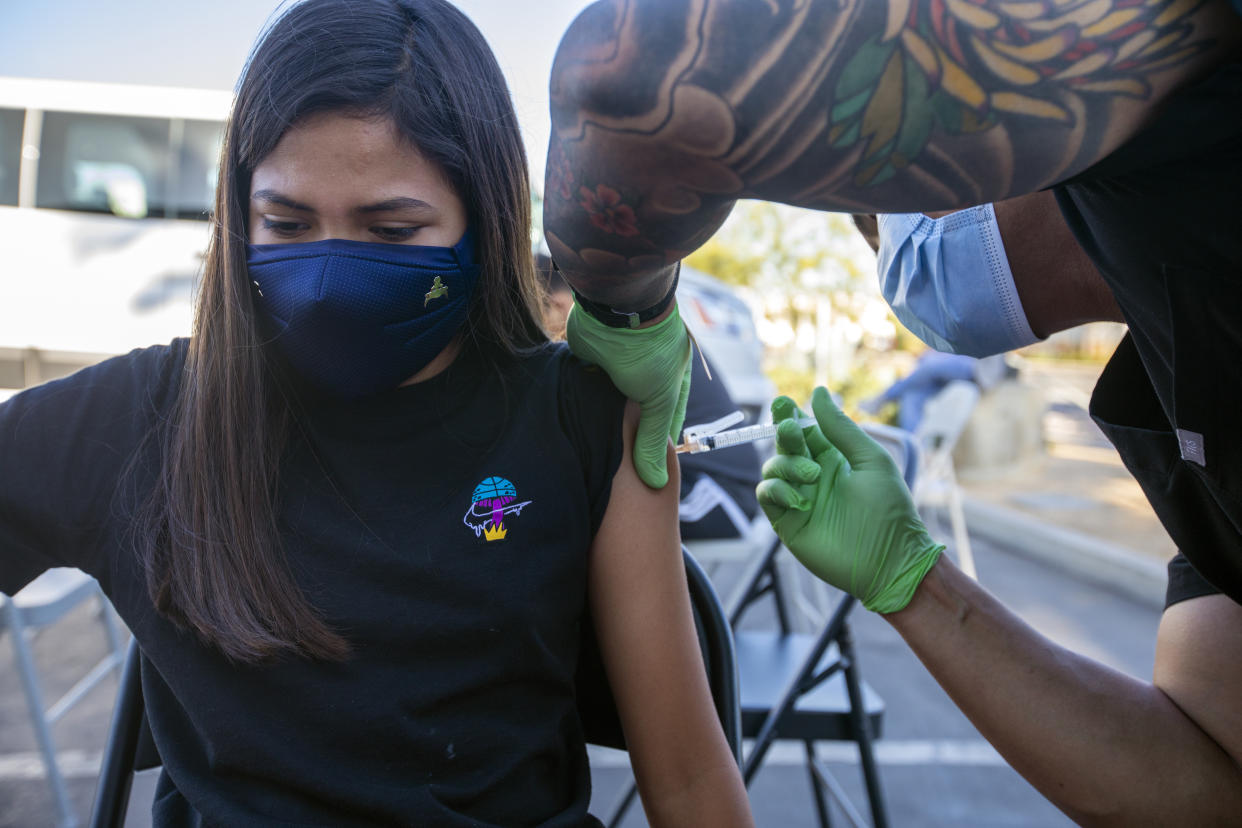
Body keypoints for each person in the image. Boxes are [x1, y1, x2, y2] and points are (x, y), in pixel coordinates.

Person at [0, 2, 753, 826]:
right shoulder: (146, 418)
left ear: (485, 215)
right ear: (237, 213)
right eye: (286, 224)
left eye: (391, 232)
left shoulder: (584, 421)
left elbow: (685, 782)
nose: (329, 280)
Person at [541, 0, 1240, 490]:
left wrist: (626, 316)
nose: (899, 266)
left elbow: (630, 78)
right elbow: (1194, 707)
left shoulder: (1177, 66)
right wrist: (910, 582)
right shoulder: (1176, 385)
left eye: (894, 208)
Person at [535, 254, 762, 540]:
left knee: (595, 517)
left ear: (558, 306)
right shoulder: (624, 332)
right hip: (699, 480)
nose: (540, 337)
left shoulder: (618, 348)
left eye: (537, 323)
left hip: (721, 493)